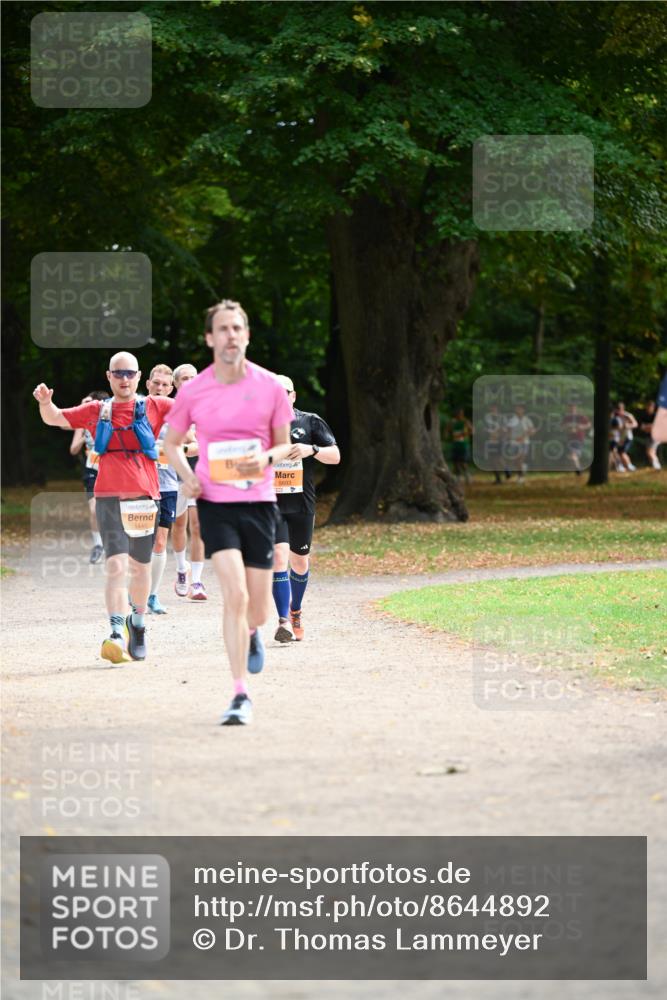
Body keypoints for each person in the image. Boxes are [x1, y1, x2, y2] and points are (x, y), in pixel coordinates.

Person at [163, 300, 294, 725]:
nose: (230, 335)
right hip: (216, 504)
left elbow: (282, 443)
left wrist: (263, 461)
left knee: (256, 609)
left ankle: (254, 631)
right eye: (222, 328)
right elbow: (172, 445)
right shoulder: (194, 390)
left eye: (237, 328)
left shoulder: (271, 386)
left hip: (259, 503)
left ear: (247, 335)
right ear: (209, 338)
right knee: (233, 596)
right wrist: (187, 475)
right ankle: (240, 693)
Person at [33, 353, 173, 664]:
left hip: (145, 499)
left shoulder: (156, 406)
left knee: (140, 569)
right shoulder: (97, 410)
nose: (124, 378)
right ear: (109, 376)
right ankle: (115, 632)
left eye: (130, 373)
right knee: (116, 568)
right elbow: (56, 417)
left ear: (139, 377)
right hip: (108, 497)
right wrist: (45, 402)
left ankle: (137, 624)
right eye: (118, 373)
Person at [271, 375, 340, 643]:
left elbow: (335, 456)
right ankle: (283, 622)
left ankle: (295, 609)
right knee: (279, 557)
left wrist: (310, 449)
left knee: (299, 561)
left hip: (301, 503)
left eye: (283, 392)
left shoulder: (309, 421)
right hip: (272, 503)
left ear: (293, 396)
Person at [171, 363, 207, 600]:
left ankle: (197, 582)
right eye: (185, 378)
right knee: (178, 525)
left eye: (194, 377)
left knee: (197, 526)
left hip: (200, 472)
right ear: (176, 383)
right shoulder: (169, 406)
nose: (190, 381)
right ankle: (181, 568)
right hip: (174, 474)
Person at [145, 364, 177, 613]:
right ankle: (134, 591)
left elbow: (196, 442)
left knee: (160, 540)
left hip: (167, 485)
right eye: (156, 383)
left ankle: (152, 595)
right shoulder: (136, 408)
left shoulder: (178, 412)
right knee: (135, 542)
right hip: (138, 483)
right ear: (147, 384)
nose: (160, 387)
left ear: (171, 388)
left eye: (165, 384)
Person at [69, 390, 109, 562]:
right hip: (92, 469)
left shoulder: (112, 421)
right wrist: (85, 437)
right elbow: (73, 449)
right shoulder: (83, 423)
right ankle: (98, 545)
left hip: (112, 469)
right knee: (94, 510)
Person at [505, 403, 535, 483]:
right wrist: (509, 438)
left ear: (523, 410)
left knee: (519, 459)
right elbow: (508, 431)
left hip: (524, 442)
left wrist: (524, 436)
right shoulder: (512, 420)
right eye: (517, 408)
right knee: (516, 461)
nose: (518, 410)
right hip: (514, 443)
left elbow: (532, 431)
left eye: (520, 408)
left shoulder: (527, 420)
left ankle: (521, 477)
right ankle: (522, 469)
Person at [561, 402, 591, 476]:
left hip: (579, 438)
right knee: (573, 455)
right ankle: (577, 468)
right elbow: (561, 427)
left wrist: (581, 427)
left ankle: (578, 469)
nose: (571, 409)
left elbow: (588, 425)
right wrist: (567, 426)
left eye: (573, 407)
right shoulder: (567, 418)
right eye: (570, 407)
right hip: (569, 439)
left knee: (573, 454)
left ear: (575, 408)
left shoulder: (581, 416)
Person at [447, 408, 473, 485]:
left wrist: (464, 434)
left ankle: (468, 477)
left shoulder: (465, 422)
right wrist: (449, 433)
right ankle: (458, 478)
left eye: (461, 414)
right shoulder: (452, 422)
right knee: (455, 463)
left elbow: (472, 431)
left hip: (464, 445)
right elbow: (447, 431)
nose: (459, 415)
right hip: (455, 445)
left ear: (462, 414)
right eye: (458, 414)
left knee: (463, 463)